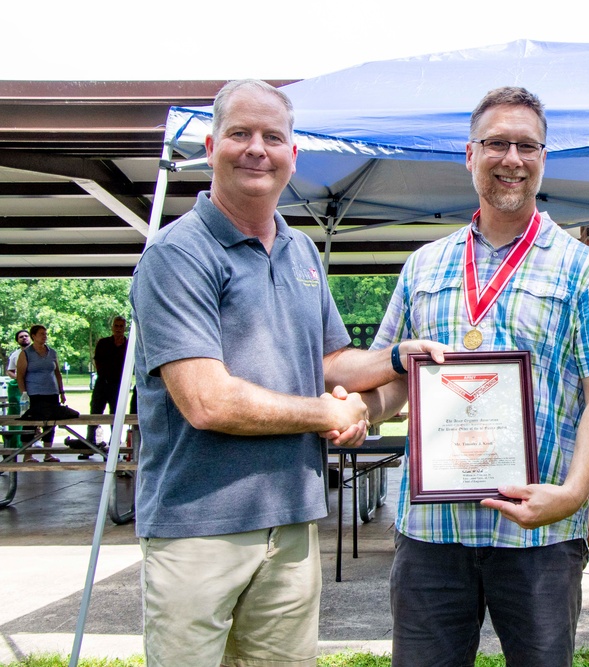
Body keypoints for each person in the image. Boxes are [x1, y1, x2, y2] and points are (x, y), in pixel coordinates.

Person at [129, 79, 444, 667]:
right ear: (210, 144)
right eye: (240, 133)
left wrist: (400, 358)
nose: (257, 149)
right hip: (199, 529)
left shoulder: (301, 252)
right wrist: (330, 413)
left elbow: (327, 364)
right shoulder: (178, 254)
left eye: (273, 137)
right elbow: (207, 400)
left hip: (293, 525)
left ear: (292, 155)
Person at [367, 86, 589, 667]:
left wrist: (571, 497)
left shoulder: (585, 269)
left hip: (538, 532)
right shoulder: (424, 266)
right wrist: (357, 412)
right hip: (431, 532)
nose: (512, 159)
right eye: (497, 143)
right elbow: (391, 376)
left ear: (543, 158)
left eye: (527, 146)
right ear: (469, 154)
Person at [16, 324, 67, 462]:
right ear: (33, 336)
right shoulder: (26, 353)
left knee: (50, 423)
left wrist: (61, 392)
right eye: (41, 334)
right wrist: (24, 393)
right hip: (34, 394)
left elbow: (57, 373)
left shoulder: (52, 352)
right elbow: (20, 375)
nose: (44, 336)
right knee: (30, 423)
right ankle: (27, 455)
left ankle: (48, 453)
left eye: (45, 334)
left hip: (51, 392)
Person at [83, 316, 130, 458]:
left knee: (116, 415)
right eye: (116, 325)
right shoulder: (103, 343)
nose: (118, 329)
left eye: (121, 326)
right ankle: (89, 446)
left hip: (118, 385)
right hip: (102, 383)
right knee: (95, 413)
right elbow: (97, 361)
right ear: (112, 327)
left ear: (125, 328)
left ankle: (114, 448)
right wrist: (103, 376)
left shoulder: (128, 345)